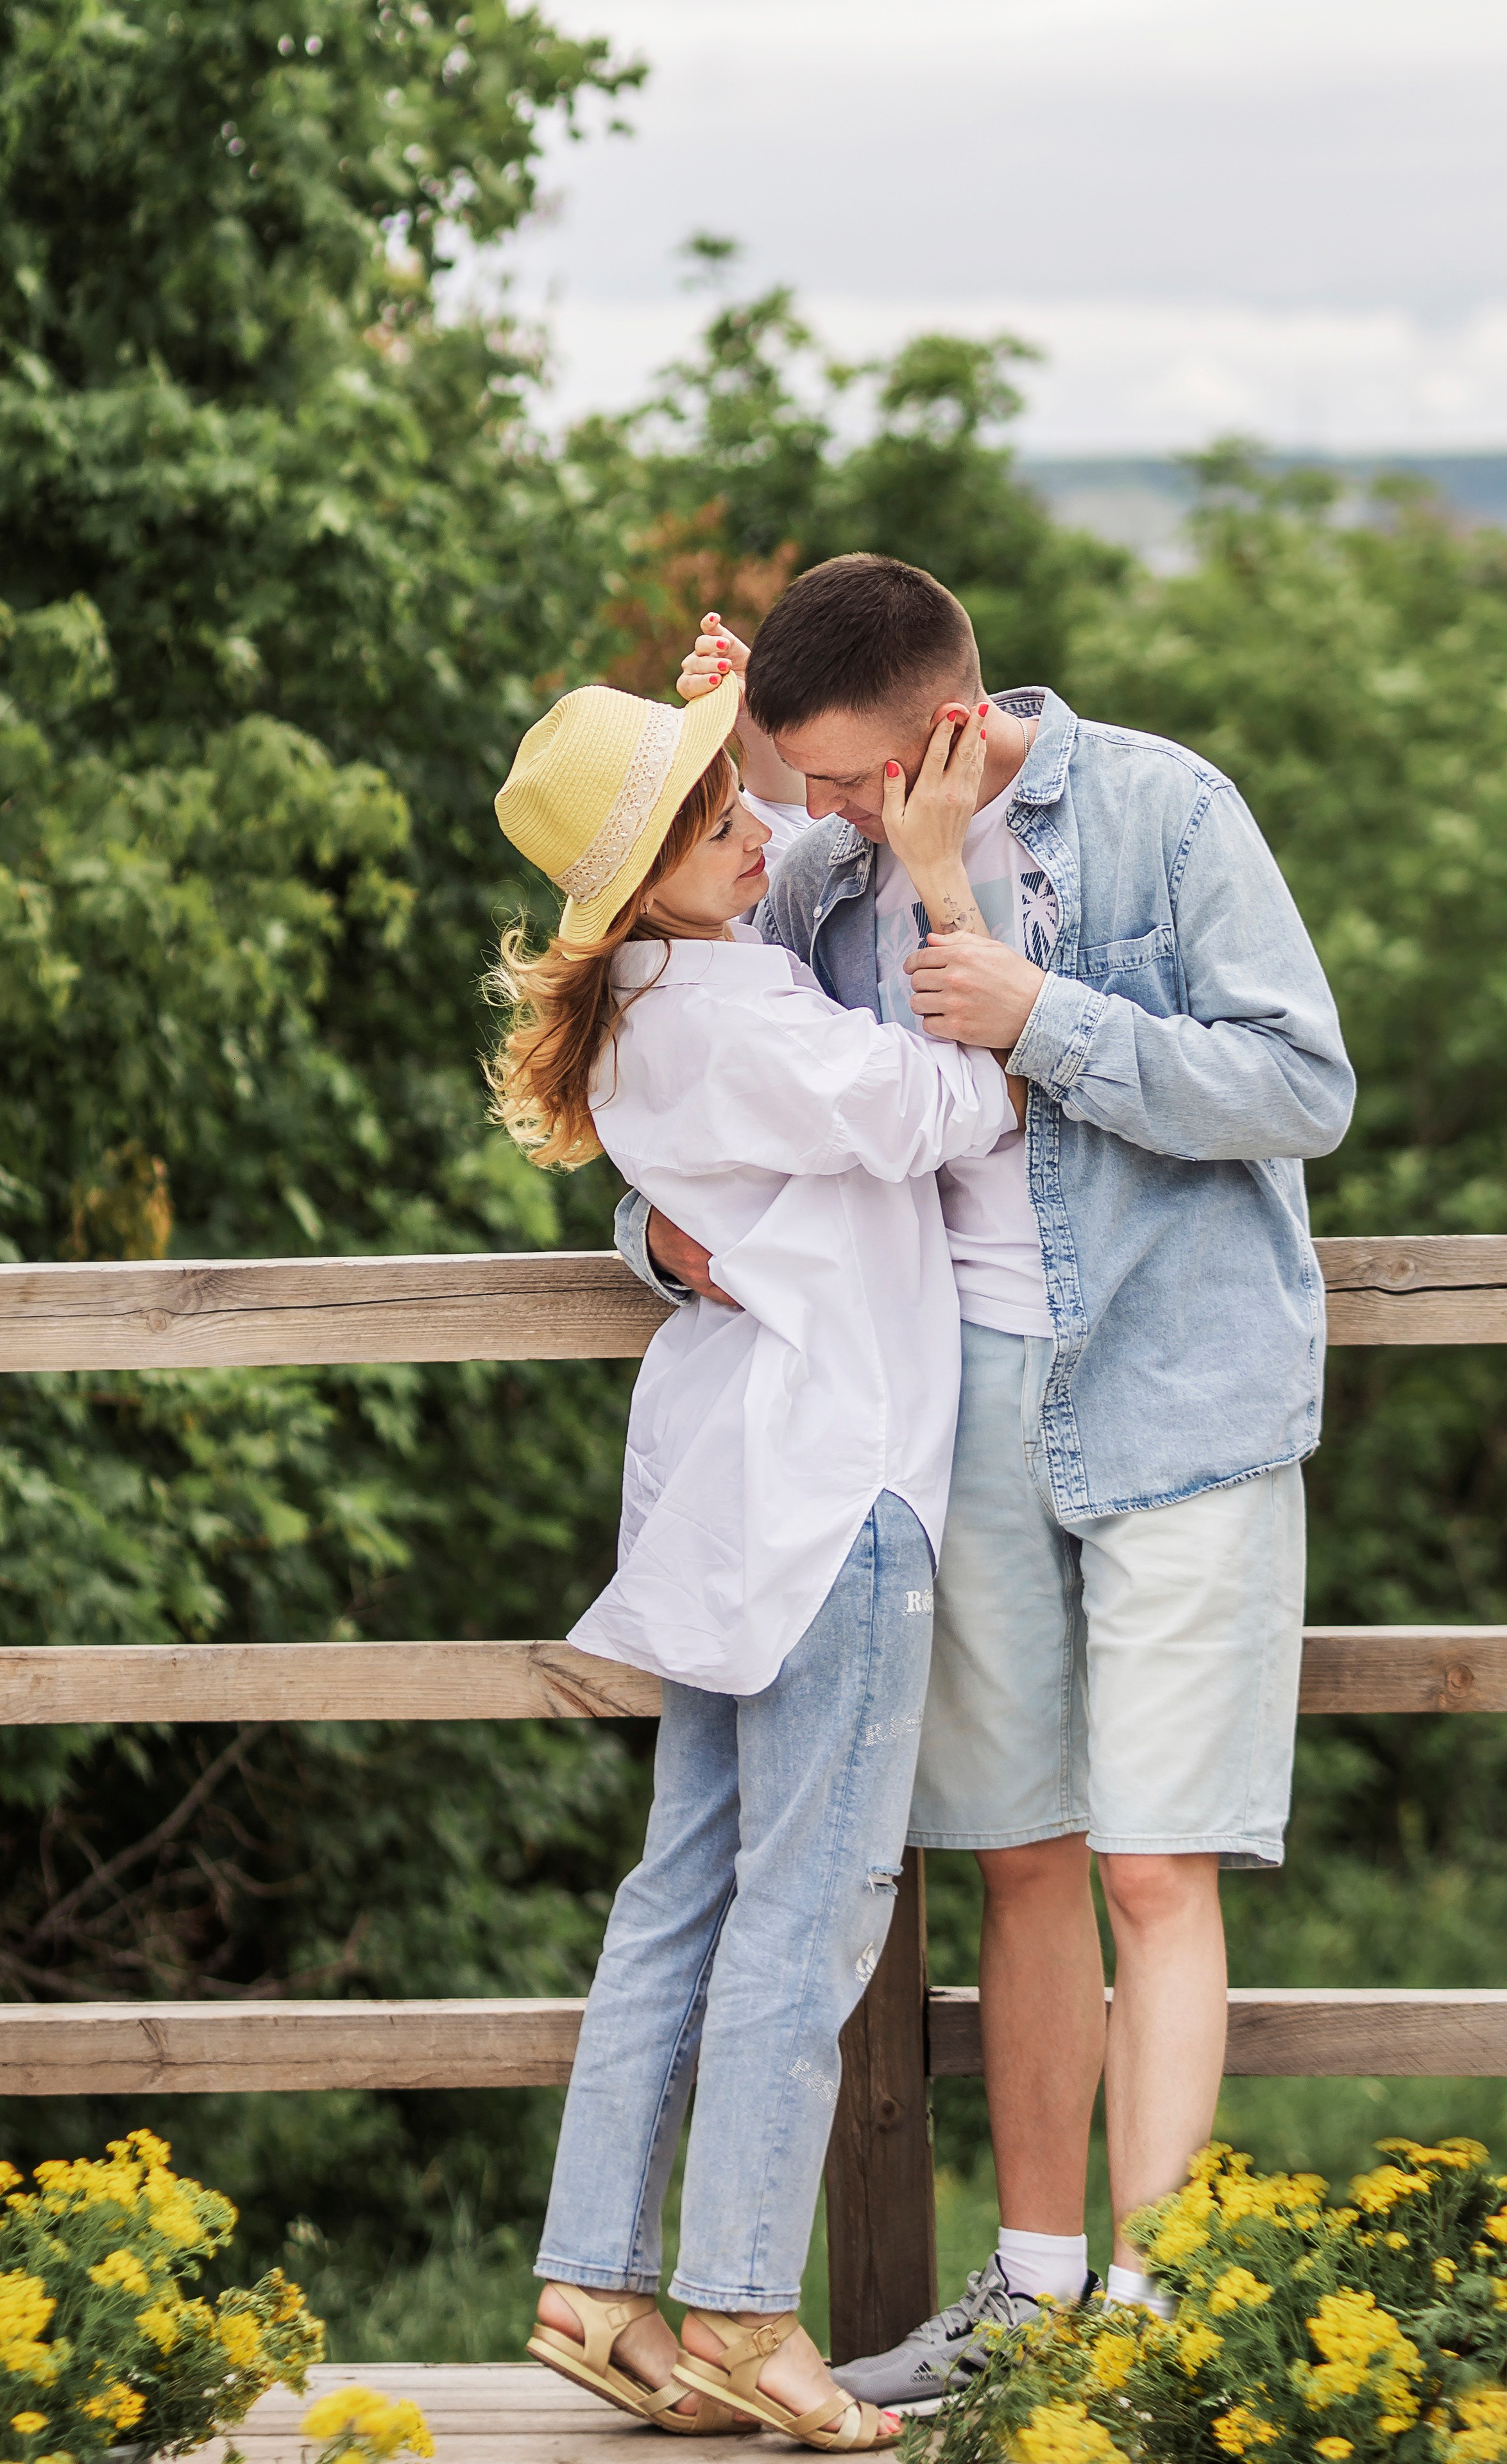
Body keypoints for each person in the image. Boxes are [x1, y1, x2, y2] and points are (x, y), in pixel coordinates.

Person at [620, 555, 1356, 2412]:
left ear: (946, 727)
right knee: (1019, 1860)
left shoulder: (1170, 811)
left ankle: (1157, 2326)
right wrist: (657, 1238)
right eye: (807, 789)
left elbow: (1300, 1087)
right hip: (950, 1407)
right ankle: (1034, 2296)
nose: (825, 822)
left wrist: (1043, 1018)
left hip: (1184, 1393)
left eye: (854, 785)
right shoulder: (828, 866)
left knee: (1158, 1868)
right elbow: (686, 1054)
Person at [488, 669, 1021, 2449]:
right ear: (647, 878)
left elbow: (763, 862)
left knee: (686, 1886)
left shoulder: (650, 988)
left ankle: (593, 2279)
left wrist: (710, 721)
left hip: (731, 1481)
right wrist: (949, 897)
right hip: (834, 1488)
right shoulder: (746, 1018)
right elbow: (969, 1112)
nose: (764, 828)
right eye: (718, 815)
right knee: (809, 1909)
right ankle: (737, 2305)